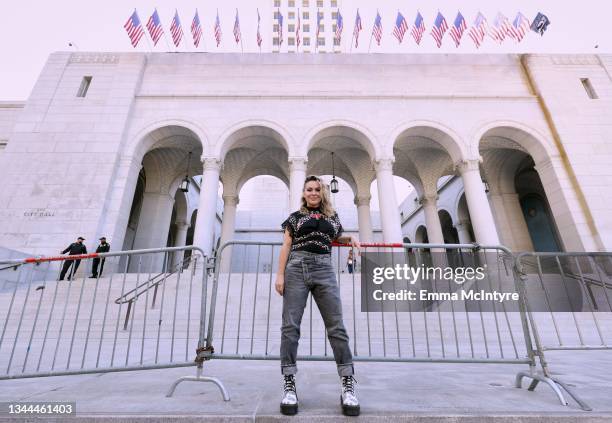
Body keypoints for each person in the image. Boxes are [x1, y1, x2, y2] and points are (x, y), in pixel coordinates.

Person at [276, 175, 361, 417]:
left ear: (322, 193)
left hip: (324, 269)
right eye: (308, 189)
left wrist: (350, 237)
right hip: (296, 268)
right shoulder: (295, 218)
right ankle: (289, 383)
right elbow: (286, 245)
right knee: (290, 327)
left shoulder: (332, 218)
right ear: (304, 193)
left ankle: (348, 384)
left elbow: (333, 237)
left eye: (316, 189)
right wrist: (279, 275)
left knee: (337, 327)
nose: (313, 193)